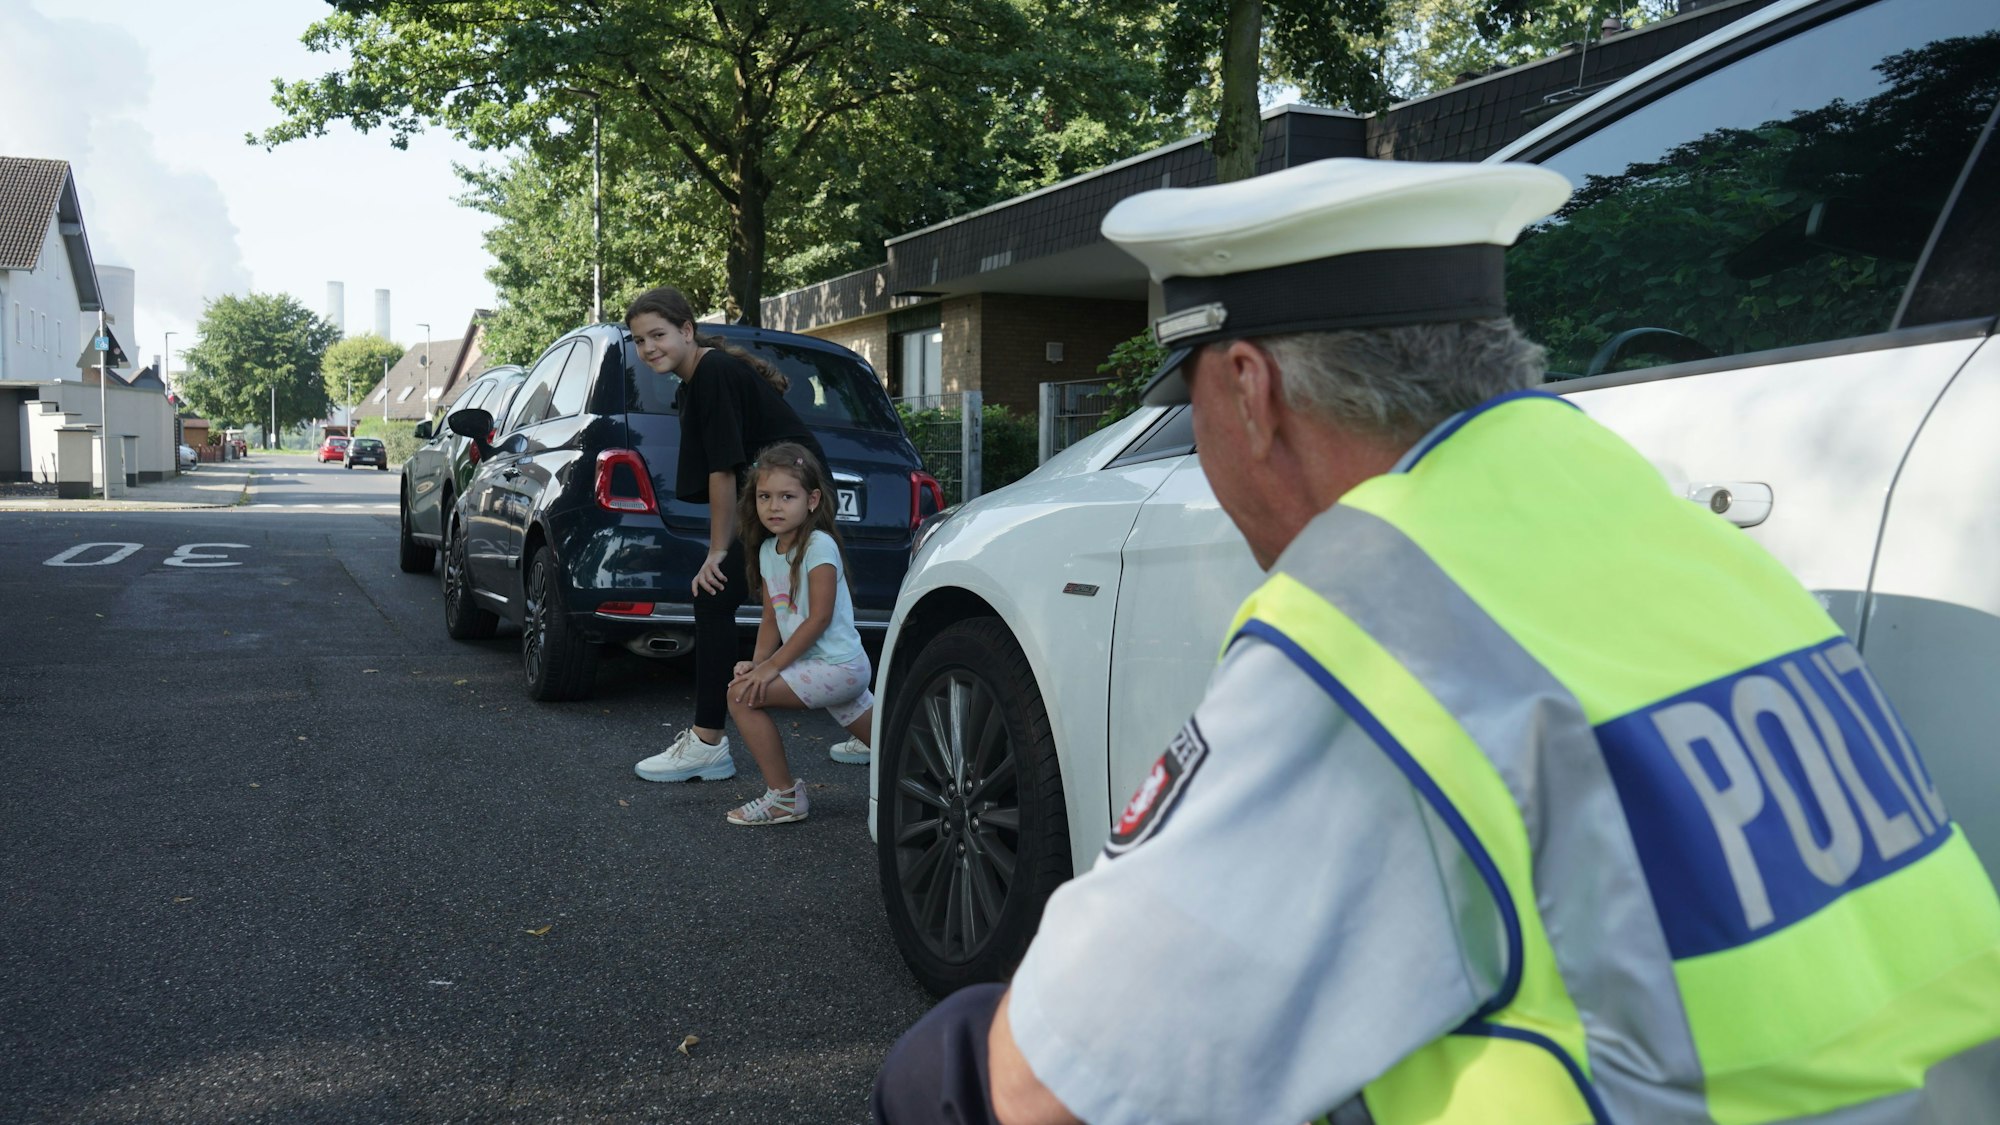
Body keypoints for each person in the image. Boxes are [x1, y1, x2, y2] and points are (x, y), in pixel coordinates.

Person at [873, 159, 2000, 1124]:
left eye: (1196, 405)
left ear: (1249, 390)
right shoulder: (1663, 527)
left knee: (946, 1077)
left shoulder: (1381, 608)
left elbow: (1055, 1084)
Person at [623, 287, 853, 784]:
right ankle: (868, 723)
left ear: (687, 330)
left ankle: (708, 742)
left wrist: (718, 551)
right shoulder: (699, 378)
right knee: (785, 600)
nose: (648, 349)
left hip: (788, 491)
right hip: (777, 491)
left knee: (715, 594)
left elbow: (723, 470)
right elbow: (723, 470)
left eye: (658, 335)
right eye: (639, 341)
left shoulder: (713, 373)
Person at [719, 442, 877, 825]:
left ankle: (785, 797)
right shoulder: (768, 550)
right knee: (893, 748)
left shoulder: (819, 546)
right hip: (826, 667)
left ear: (812, 500)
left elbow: (818, 619)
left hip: (837, 667)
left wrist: (770, 669)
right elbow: (773, 617)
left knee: (740, 697)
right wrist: (757, 664)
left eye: (787, 496)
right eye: (765, 497)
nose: (774, 506)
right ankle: (935, 781)